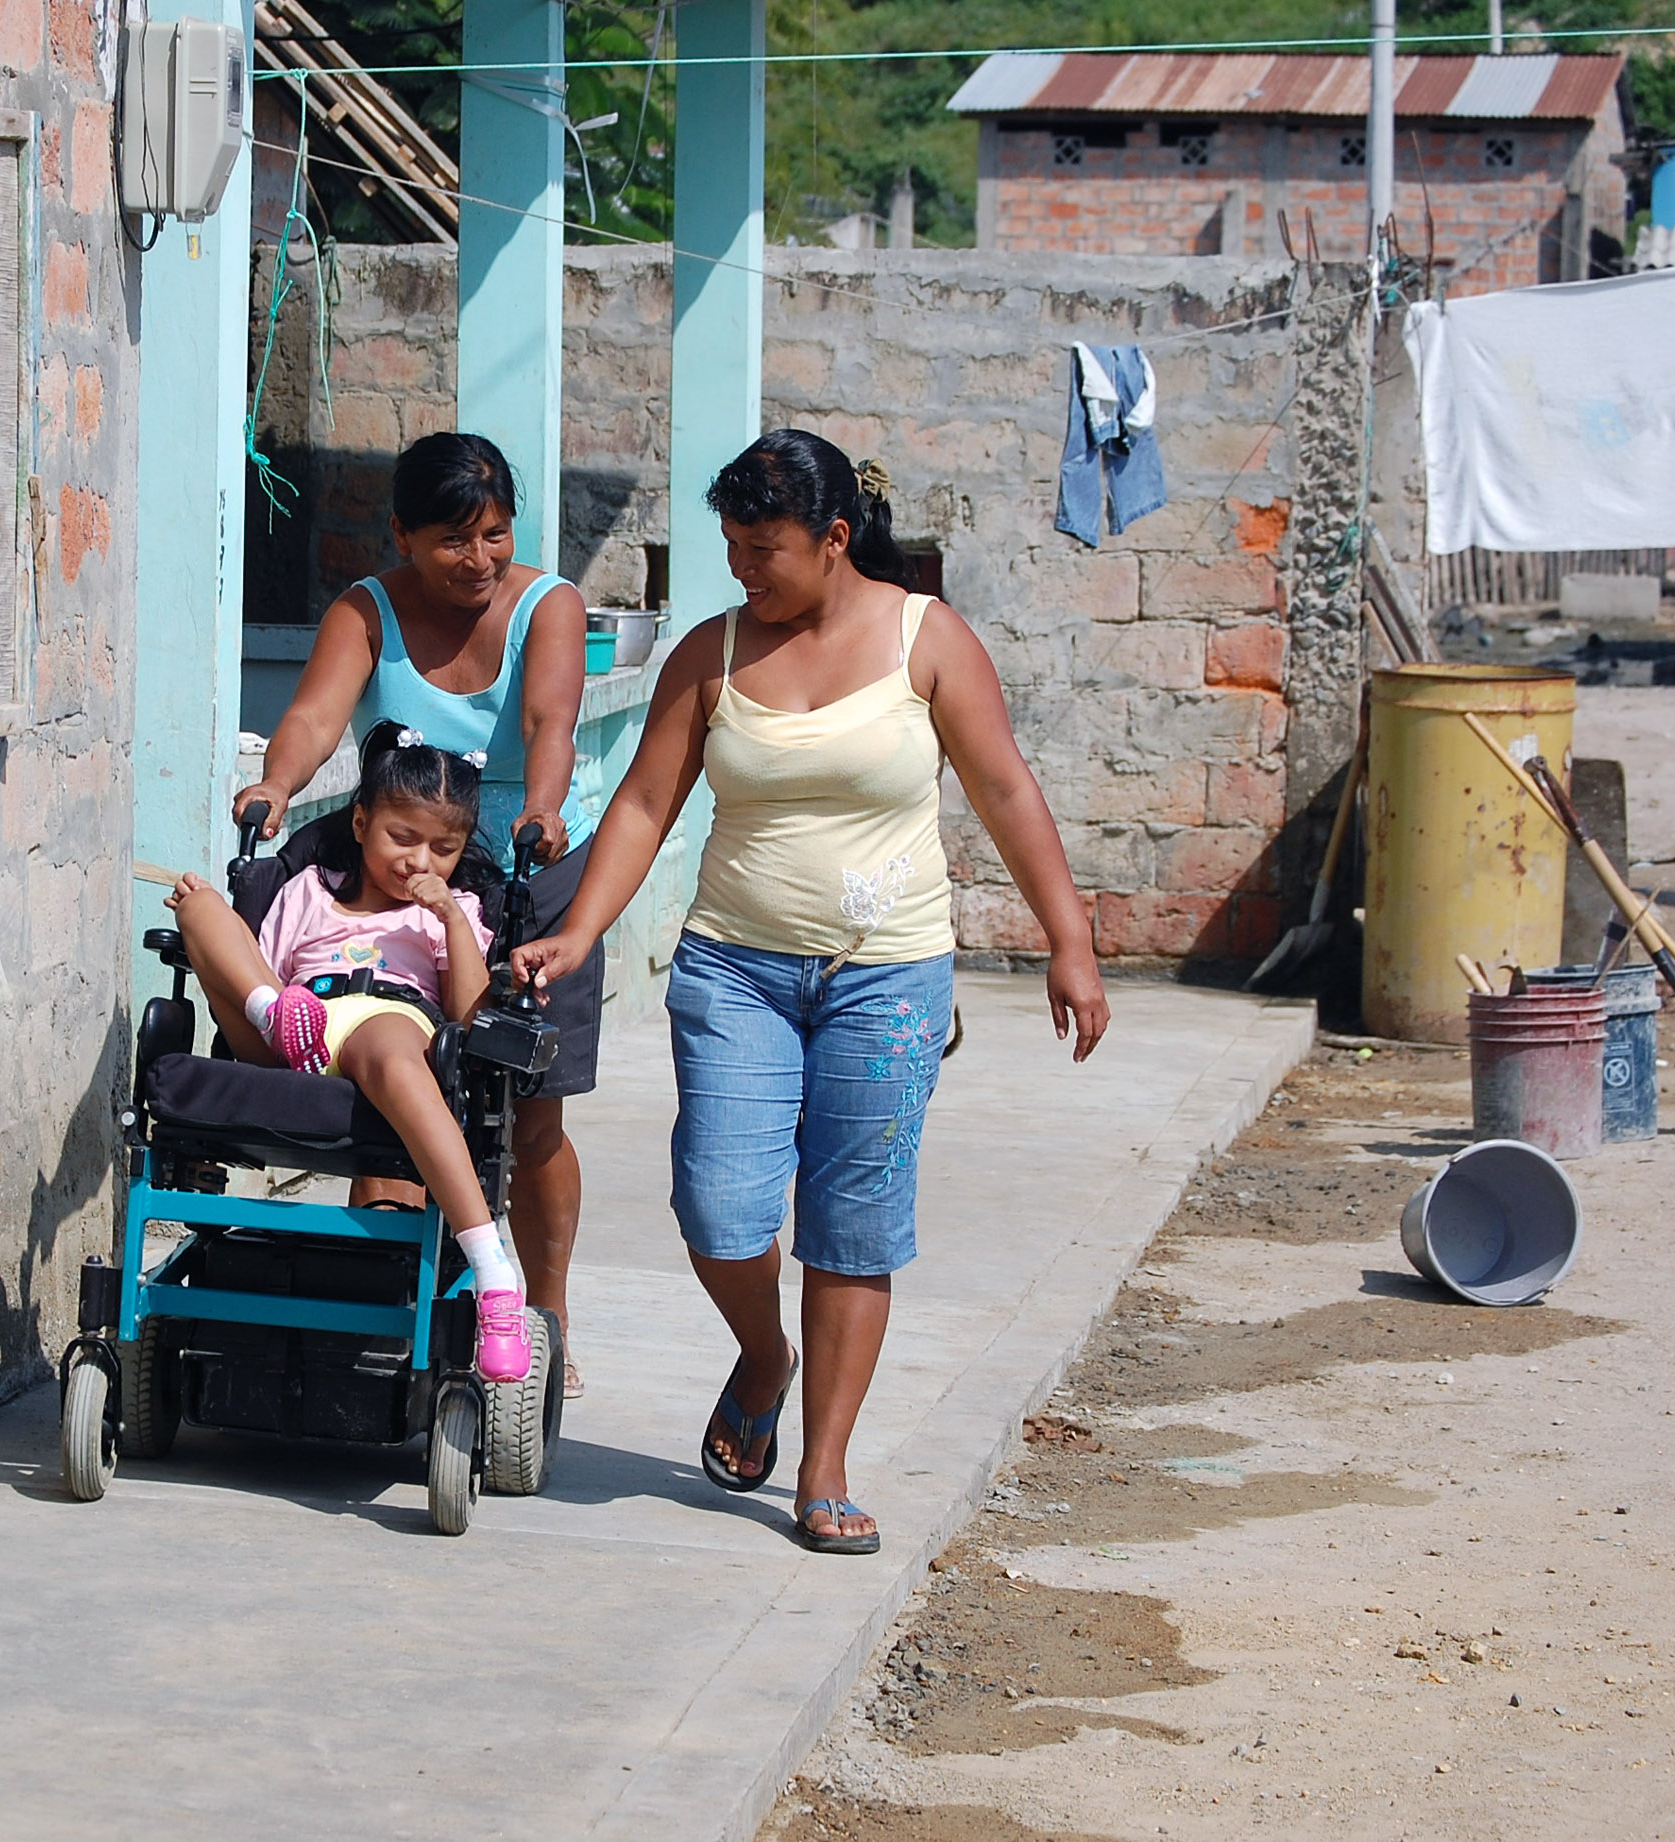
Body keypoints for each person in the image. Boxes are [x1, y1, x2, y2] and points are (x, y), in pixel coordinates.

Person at [512, 430, 1111, 1554]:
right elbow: (643, 805)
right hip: (735, 967)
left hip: (887, 978)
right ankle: (764, 1354)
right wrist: (580, 931)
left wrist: (1067, 943)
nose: (744, 568)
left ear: (835, 541)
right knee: (719, 1205)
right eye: (733, 545)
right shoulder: (712, 653)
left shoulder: (929, 644)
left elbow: (1005, 790)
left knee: (853, 1220)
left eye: (765, 548)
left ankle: (825, 1466)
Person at [236, 432, 602, 1397]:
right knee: (390, 1100)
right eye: (451, 540)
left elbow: (548, 723)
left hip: (527, 869)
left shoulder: (545, 605)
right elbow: (316, 719)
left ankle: (544, 1311)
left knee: (529, 1118)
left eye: (494, 534)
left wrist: (543, 809)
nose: (477, 559)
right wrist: (276, 785)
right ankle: (385, 1302)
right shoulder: (366, 610)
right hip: (393, 873)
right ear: (401, 534)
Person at [167, 723, 533, 1384]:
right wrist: (273, 1002)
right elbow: (254, 959)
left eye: (443, 849)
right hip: (288, 1021)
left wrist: (451, 917)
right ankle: (273, 1011)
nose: (420, 862)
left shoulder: (452, 910)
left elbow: (474, 1016)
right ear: (361, 822)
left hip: (387, 1018)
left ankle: (494, 1271)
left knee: (390, 1050)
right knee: (199, 907)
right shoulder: (309, 891)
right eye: (403, 837)